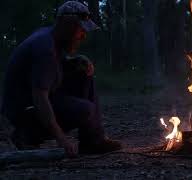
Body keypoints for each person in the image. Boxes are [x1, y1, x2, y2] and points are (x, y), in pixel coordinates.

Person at [0, 1, 122, 157]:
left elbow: (54, 67)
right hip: (24, 111)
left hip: (34, 101)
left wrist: (76, 60)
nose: (83, 36)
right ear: (67, 25)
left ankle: (93, 141)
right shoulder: (45, 48)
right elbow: (40, 97)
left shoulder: (50, 37)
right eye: (81, 30)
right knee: (85, 110)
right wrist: (61, 138)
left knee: (83, 73)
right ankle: (28, 134)